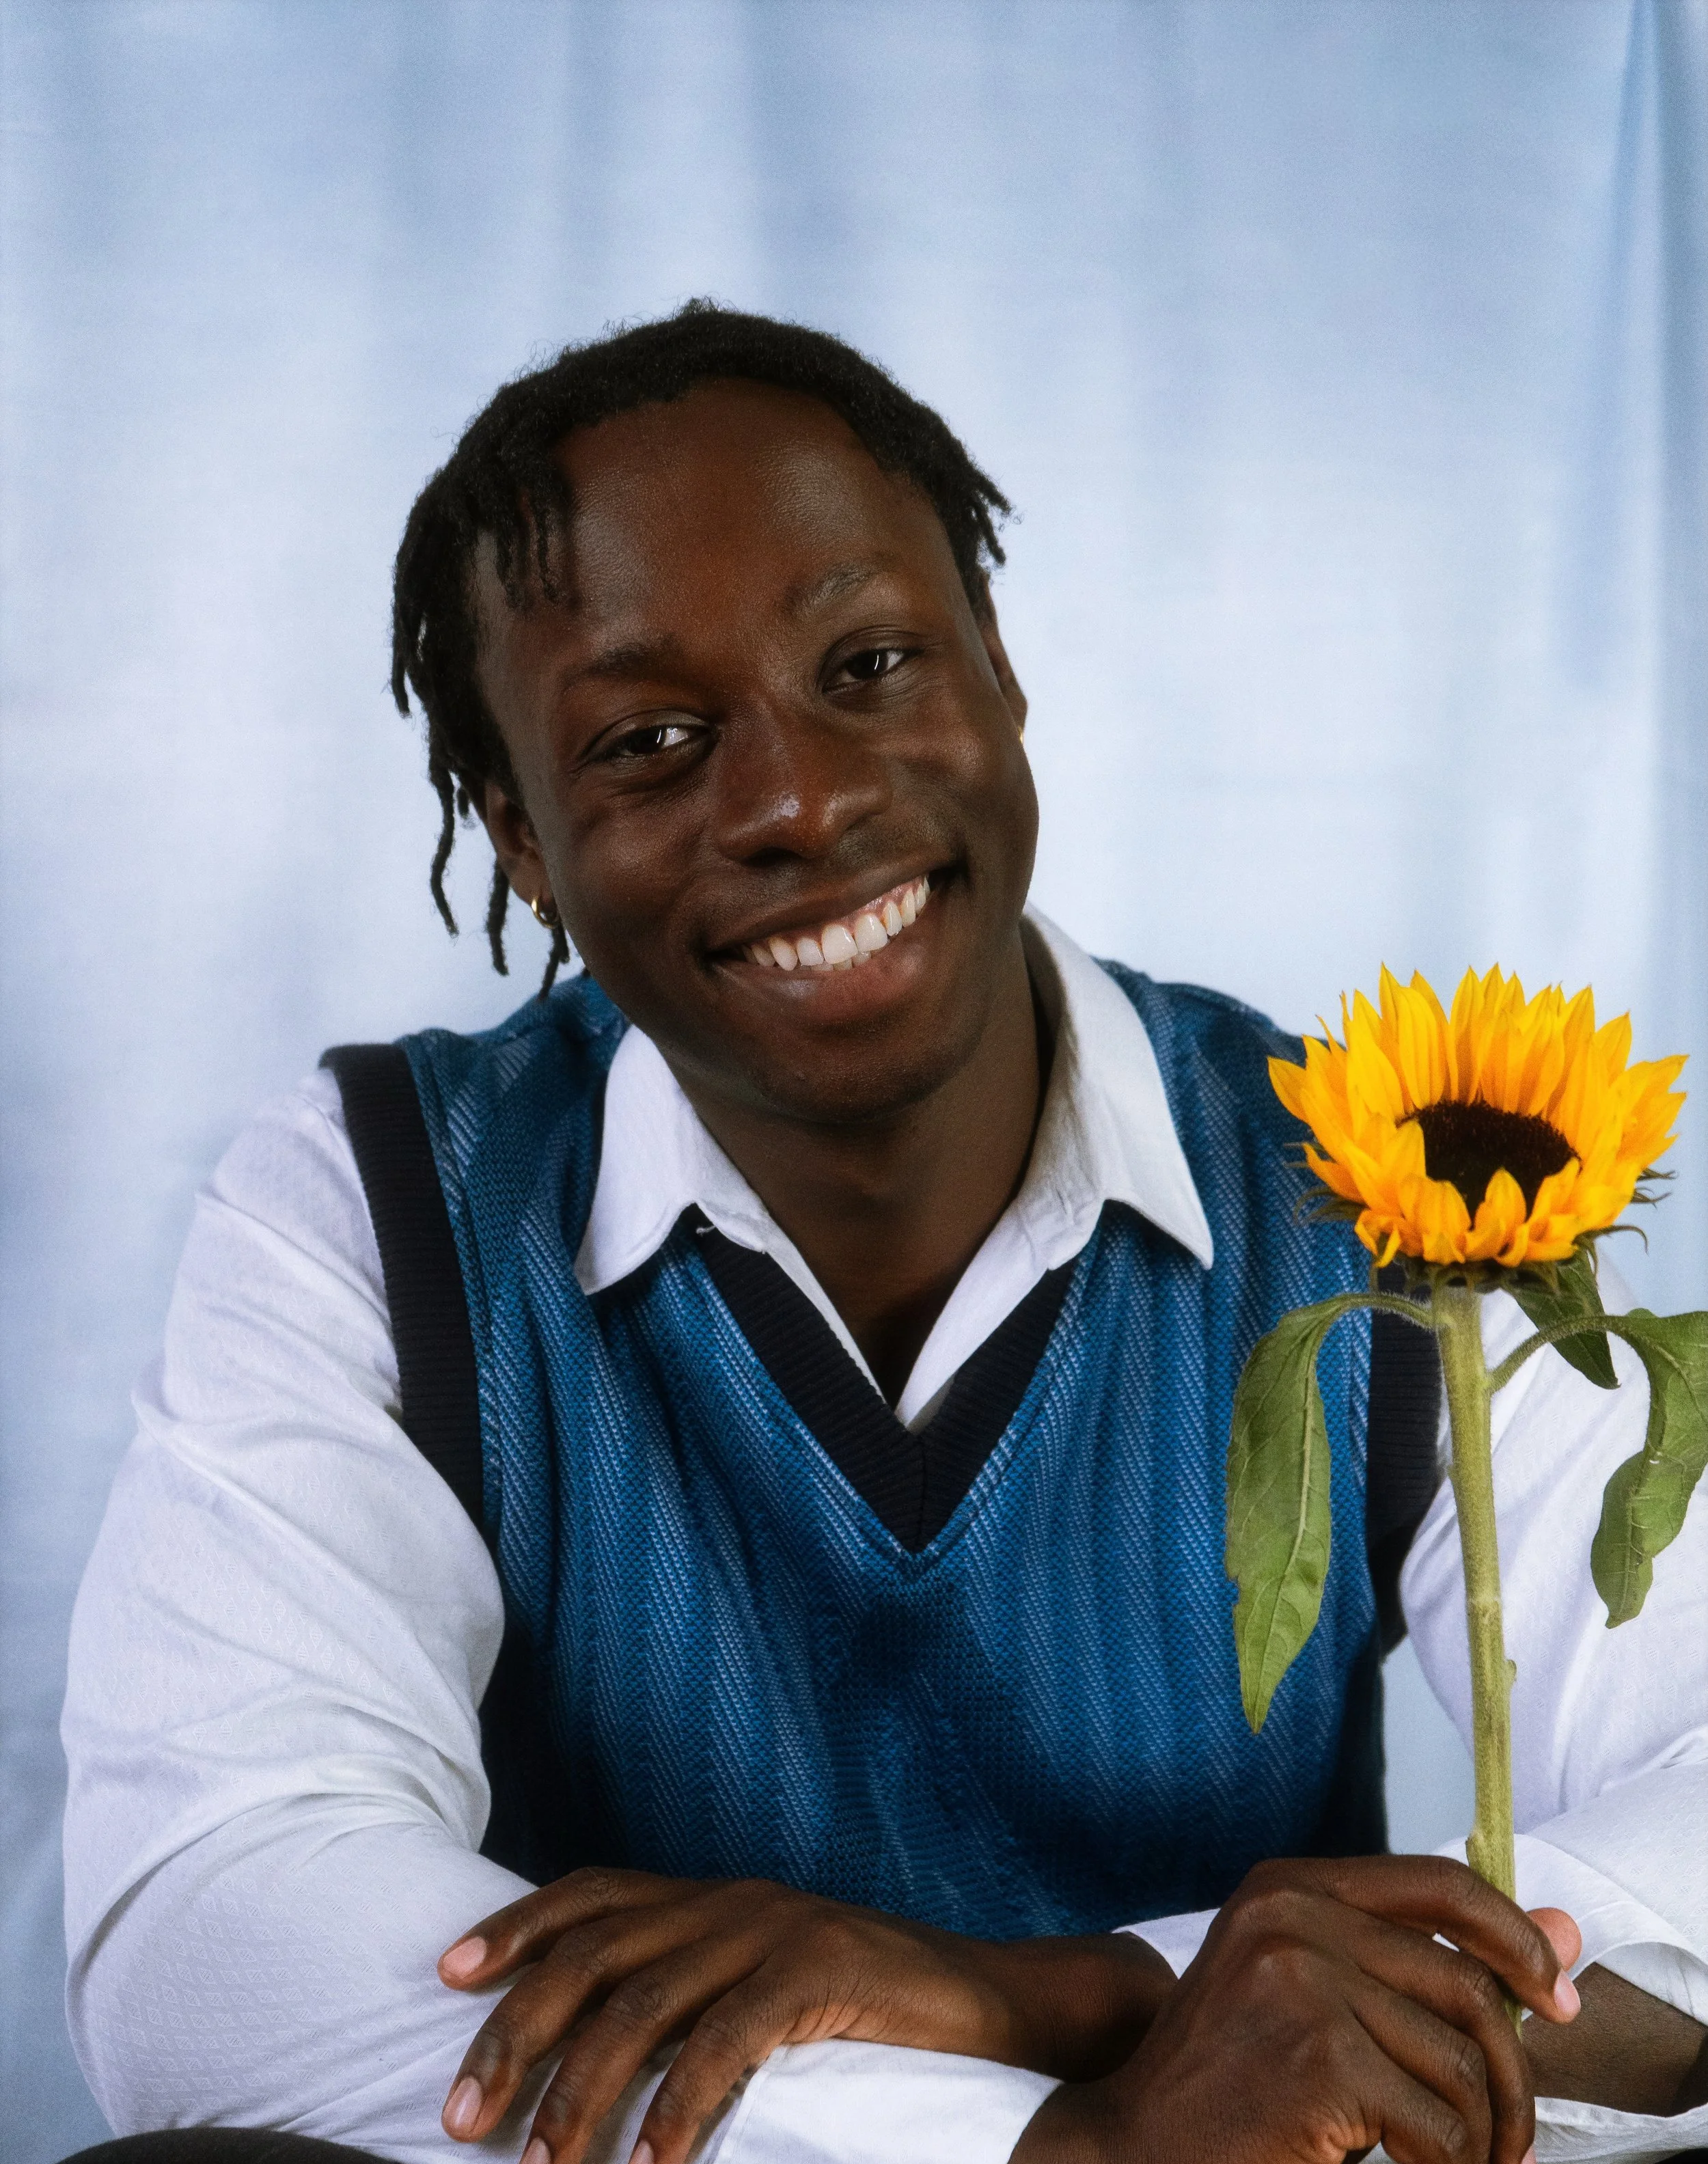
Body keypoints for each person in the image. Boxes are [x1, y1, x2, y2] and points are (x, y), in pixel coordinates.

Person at [61, 305, 1708, 2164]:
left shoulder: (1380, 1181)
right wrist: (1064, 2144)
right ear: (518, 833)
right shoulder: (381, 1195)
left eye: (867, 663)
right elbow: (209, 1933)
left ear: (996, 668)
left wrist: (1045, 1990)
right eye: (651, 740)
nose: (799, 799)